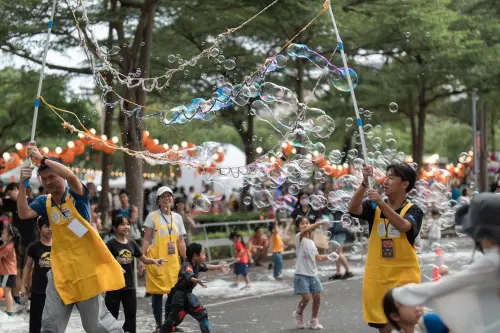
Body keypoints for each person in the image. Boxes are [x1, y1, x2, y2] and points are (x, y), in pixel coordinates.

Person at [17, 143, 125, 333]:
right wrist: (21, 183)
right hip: (60, 272)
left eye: (52, 176)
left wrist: (42, 158)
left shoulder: (76, 193)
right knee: (50, 326)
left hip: (86, 271)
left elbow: (71, 176)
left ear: (61, 174)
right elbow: (24, 213)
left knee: (96, 326)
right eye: (44, 179)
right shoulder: (44, 202)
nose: (49, 182)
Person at [391, 193, 500, 333]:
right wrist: (452, 275)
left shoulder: (493, 262)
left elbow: (441, 288)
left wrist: (397, 294)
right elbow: (475, 280)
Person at [349, 163, 423, 333]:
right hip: (379, 278)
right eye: (386, 176)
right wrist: (364, 184)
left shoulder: (414, 210)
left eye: (391, 177)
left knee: (406, 324)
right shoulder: (373, 207)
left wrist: (382, 203)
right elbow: (353, 208)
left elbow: (404, 226)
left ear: (405, 184)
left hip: (404, 278)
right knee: (384, 327)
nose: (386, 181)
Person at [105, 214, 166, 333]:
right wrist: (116, 268)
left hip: (129, 286)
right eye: (123, 224)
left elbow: (143, 259)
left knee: (131, 316)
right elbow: (104, 263)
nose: (126, 227)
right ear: (115, 228)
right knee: (111, 317)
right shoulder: (110, 245)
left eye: (128, 224)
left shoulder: (132, 243)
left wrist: (154, 261)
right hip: (114, 287)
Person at [142, 186, 187, 332]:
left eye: (169, 196)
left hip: (173, 261)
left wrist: (186, 260)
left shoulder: (178, 218)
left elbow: (180, 241)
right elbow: (147, 239)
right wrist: (142, 258)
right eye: (164, 197)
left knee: (172, 293)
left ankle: (168, 325)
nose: (167, 198)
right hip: (156, 260)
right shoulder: (152, 216)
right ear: (159, 201)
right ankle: (158, 325)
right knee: (157, 293)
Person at [161, 243, 228, 333]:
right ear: (195, 256)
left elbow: (206, 266)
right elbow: (189, 274)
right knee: (172, 323)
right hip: (179, 297)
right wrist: (196, 280)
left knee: (202, 314)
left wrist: (219, 266)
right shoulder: (187, 265)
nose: (205, 256)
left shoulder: (196, 264)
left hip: (187, 296)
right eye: (203, 253)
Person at [293, 217, 329, 330]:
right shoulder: (299, 237)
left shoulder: (312, 243)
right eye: (302, 223)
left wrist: (329, 257)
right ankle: (299, 314)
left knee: (317, 297)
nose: (305, 225)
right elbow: (304, 231)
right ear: (298, 227)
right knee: (306, 298)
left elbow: (316, 257)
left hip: (313, 274)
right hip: (301, 274)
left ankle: (314, 319)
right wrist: (318, 223)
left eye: (307, 222)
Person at [20, 216, 52, 333]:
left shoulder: (59, 246)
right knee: (36, 322)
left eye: (51, 226)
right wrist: (23, 286)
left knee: (52, 321)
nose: (49, 229)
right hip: (38, 290)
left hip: (54, 291)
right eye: (46, 226)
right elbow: (27, 267)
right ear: (39, 228)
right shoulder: (34, 247)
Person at [0, 223, 21, 316]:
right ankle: (9, 309)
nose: (1, 234)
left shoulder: (8, 247)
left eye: (3, 233)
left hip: (7, 273)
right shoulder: (9, 245)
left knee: (7, 291)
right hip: (8, 272)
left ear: (10, 237)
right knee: (6, 291)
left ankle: (9, 310)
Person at [327, 210, 353, 280]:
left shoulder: (339, 209)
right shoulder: (334, 211)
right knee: (336, 253)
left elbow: (331, 224)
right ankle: (338, 272)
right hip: (336, 232)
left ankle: (348, 271)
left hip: (339, 232)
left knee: (338, 253)